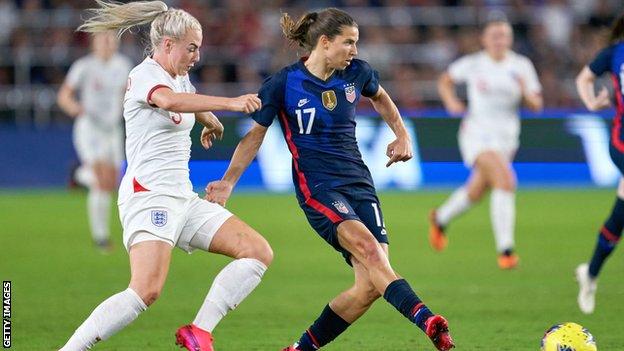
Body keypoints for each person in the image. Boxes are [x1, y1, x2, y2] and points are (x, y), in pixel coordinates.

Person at [205, 8, 454, 351]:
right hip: (318, 188)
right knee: (369, 251)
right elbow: (255, 136)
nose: (355, 49)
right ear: (325, 42)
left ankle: (299, 349)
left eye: (356, 42)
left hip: (359, 182)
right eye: (348, 42)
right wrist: (228, 181)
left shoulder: (357, 73)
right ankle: (427, 320)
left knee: (369, 285)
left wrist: (401, 134)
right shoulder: (284, 83)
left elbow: (381, 97)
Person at [59, 1, 272, 350]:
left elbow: (184, 96)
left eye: (199, 48)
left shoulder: (179, 75)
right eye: (192, 48)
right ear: (168, 44)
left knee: (256, 251)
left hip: (182, 198)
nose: (197, 56)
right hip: (149, 196)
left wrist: (209, 121)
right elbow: (169, 101)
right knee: (146, 290)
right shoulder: (145, 75)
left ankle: (199, 332)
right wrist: (229, 104)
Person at [431, 18, 543, 269]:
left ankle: (440, 218)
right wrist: (450, 101)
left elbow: (537, 106)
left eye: (504, 35)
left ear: (510, 39)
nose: (499, 40)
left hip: (507, 139)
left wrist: (526, 93)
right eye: (494, 36)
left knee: (476, 191)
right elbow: (445, 80)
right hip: (476, 134)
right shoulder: (473, 64)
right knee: (505, 180)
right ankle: (506, 250)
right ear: (484, 39)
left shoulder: (521, 66)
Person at [57, 30, 133, 251]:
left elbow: (126, 94)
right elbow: (64, 96)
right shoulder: (84, 66)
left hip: (113, 129)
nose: (108, 44)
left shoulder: (123, 65)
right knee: (101, 180)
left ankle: (79, 175)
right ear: (95, 44)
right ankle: (100, 237)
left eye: (111, 40)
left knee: (111, 182)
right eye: (103, 41)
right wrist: (75, 109)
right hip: (90, 128)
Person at [574, 13, 624, 314]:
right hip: (621, 140)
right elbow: (584, 78)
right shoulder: (614, 53)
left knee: (620, 216)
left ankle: (590, 274)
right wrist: (592, 103)